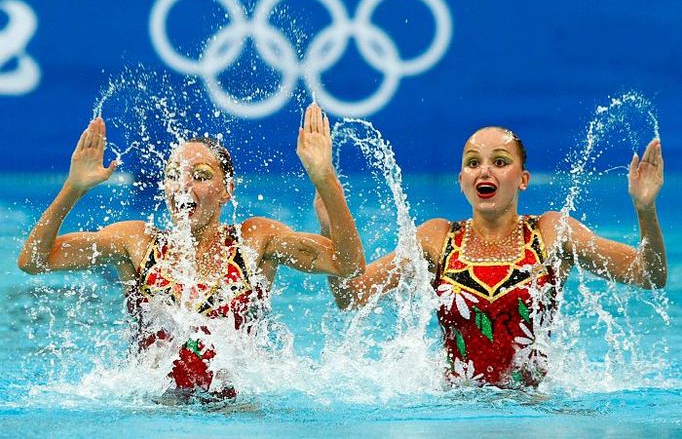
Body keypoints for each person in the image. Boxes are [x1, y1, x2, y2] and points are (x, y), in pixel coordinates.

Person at [18, 102, 365, 398]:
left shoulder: (255, 240)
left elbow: (348, 265)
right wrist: (73, 188)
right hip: (153, 410)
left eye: (200, 175)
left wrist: (324, 178)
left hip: (239, 412)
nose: (183, 185)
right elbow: (34, 261)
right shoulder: (136, 242)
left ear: (227, 190)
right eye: (173, 175)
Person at [315, 126, 666, 388]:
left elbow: (649, 275)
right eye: (473, 163)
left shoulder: (552, 233)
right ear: (461, 180)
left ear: (523, 179)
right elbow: (351, 295)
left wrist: (645, 208)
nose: (485, 171)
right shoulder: (436, 238)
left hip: (535, 411)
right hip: (453, 410)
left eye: (500, 162)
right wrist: (330, 221)